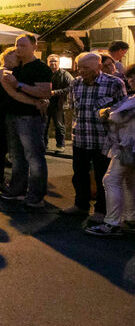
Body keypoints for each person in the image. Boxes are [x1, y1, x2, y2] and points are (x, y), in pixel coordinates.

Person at [60, 53, 126, 220]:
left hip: (103, 140)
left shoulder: (114, 83)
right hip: (81, 137)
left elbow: (124, 111)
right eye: (79, 67)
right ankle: (80, 205)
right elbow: (72, 108)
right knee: (79, 174)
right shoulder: (75, 84)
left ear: (98, 65)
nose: (82, 71)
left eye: (86, 68)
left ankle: (101, 211)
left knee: (102, 176)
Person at [0, 49, 46, 200]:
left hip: (3, 116)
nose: (18, 57)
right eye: (15, 55)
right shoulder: (2, 72)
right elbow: (14, 94)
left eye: (19, 56)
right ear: (5, 56)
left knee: (0, 151)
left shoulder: (14, 72)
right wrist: (36, 102)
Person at [0, 34, 53, 207]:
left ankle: (36, 196)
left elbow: (45, 92)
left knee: (34, 157)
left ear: (34, 47)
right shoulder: (15, 66)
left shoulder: (41, 68)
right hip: (12, 115)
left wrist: (19, 84)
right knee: (17, 157)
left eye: (23, 45)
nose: (19, 49)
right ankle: (17, 190)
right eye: (17, 45)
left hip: (30, 117)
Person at [85, 65, 135, 237]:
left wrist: (106, 113)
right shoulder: (132, 97)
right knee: (129, 182)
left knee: (111, 180)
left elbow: (117, 116)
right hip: (126, 145)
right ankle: (130, 218)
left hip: (127, 147)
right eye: (130, 78)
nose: (131, 81)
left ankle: (112, 223)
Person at [46, 54, 74, 152]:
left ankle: (60, 145)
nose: (53, 63)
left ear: (59, 63)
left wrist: (56, 92)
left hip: (59, 104)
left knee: (59, 125)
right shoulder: (45, 73)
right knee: (44, 125)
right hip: (45, 103)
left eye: (55, 61)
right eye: (51, 61)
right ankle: (44, 145)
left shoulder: (64, 74)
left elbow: (71, 87)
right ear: (47, 62)